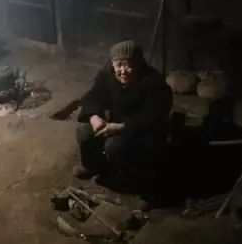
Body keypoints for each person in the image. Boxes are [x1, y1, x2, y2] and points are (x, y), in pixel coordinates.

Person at [74, 40, 172, 179]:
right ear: (112, 64)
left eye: (129, 65)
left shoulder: (153, 81)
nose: (123, 71)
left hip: (142, 131)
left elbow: (153, 115)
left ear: (139, 64)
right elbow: (93, 95)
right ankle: (92, 166)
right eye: (119, 65)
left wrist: (121, 127)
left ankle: (130, 177)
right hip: (115, 122)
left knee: (114, 146)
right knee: (85, 131)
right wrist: (94, 117)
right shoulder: (108, 74)